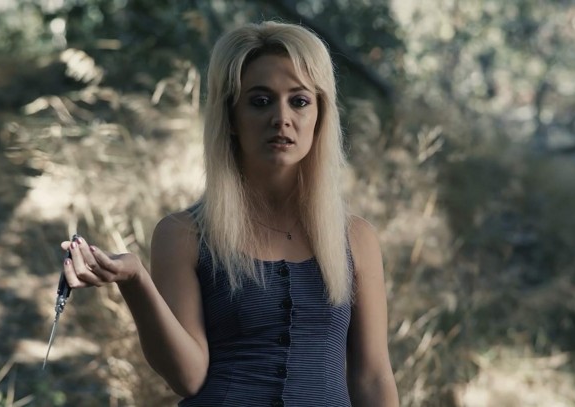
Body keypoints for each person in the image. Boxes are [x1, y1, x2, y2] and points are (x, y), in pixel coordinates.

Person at [61, 21, 399, 407]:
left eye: (300, 101)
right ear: (231, 118)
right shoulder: (183, 234)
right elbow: (187, 377)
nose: (282, 118)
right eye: (260, 101)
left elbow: (373, 378)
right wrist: (136, 280)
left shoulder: (356, 239)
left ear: (321, 114)